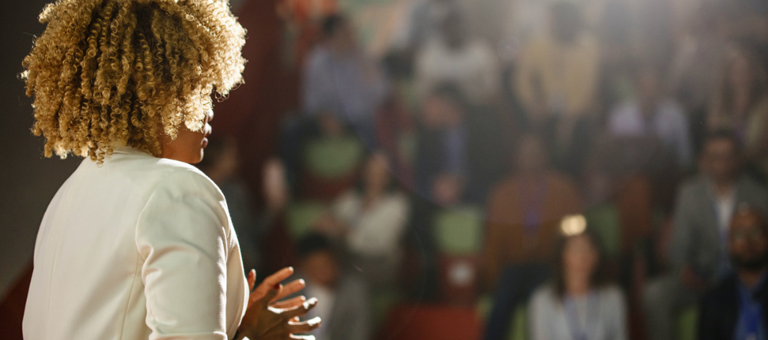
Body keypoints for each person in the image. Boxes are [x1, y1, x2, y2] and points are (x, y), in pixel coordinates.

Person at [20, 1, 320, 339]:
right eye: (199, 89)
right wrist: (252, 334)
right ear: (156, 92)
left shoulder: (66, 198)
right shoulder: (177, 188)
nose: (209, 111)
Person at [644, 131, 768, 340]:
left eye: (727, 156)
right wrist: (685, 270)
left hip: (747, 279)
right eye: (715, 157)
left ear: (737, 159)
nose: (721, 163)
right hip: (704, 279)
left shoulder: (759, 194)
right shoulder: (689, 193)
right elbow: (678, 249)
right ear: (704, 161)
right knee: (654, 294)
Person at [483, 132, 581, 340]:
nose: (531, 158)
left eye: (536, 153)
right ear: (516, 157)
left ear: (545, 155)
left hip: (549, 265)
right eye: (525, 153)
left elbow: (576, 235)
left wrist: (568, 272)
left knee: (539, 310)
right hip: (513, 267)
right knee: (500, 306)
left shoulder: (564, 189)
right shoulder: (501, 193)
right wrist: (493, 278)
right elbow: (492, 242)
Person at [529, 216, 628, 340]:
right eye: (576, 249)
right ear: (561, 256)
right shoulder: (543, 300)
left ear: (597, 256)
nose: (582, 257)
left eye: (588, 249)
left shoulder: (613, 297)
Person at [302, 14, 388, 148]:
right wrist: (323, 118)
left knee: (370, 126)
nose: (351, 37)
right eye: (344, 33)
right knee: (292, 128)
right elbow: (311, 102)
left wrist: (367, 68)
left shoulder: (364, 57)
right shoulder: (317, 62)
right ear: (330, 39)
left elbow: (381, 93)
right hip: (327, 119)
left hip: (358, 121)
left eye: (351, 32)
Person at [327, 153, 410, 289]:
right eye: (371, 170)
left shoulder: (397, 204)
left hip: (378, 265)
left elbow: (381, 245)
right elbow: (327, 220)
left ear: (389, 175)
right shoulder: (350, 197)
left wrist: (345, 231)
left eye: (381, 172)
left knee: (346, 277)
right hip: (347, 260)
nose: (375, 176)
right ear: (364, 172)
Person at [699, 205, 768, 340]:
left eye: (756, 232)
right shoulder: (714, 301)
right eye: (739, 235)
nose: (748, 241)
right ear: (729, 244)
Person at [608, 64, 693, 168]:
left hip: (665, 173)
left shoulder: (676, 115)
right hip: (628, 173)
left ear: (661, 88)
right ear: (636, 88)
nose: (649, 93)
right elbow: (613, 153)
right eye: (644, 87)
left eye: (653, 87)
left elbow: (684, 154)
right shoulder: (620, 114)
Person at [294, 233, 372, 340]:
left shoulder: (355, 290)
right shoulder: (288, 291)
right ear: (305, 268)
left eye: (328, 264)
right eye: (318, 268)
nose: (326, 272)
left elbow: (360, 333)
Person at [414, 9, 501, 105]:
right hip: (442, 109)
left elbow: (492, 90)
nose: (455, 31)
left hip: (476, 107)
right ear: (443, 30)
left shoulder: (482, 52)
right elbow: (423, 92)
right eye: (450, 27)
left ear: (466, 28)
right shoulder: (429, 54)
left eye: (459, 27)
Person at [708, 44, 768, 178]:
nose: (741, 74)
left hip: (759, 172)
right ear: (728, 73)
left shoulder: (765, 105)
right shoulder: (719, 106)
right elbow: (713, 140)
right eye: (736, 70)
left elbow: (764, 146)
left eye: (745, 69)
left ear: (754, 72)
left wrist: (737, 158)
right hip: (727, 171)